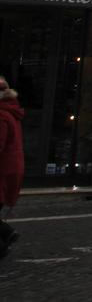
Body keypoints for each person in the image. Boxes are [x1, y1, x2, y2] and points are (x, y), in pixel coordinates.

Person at [0, 75, 23, 261]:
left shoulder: (3, 116)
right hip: (10, 169)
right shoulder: (11, 113)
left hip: (3, 170)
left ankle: (7, 233)